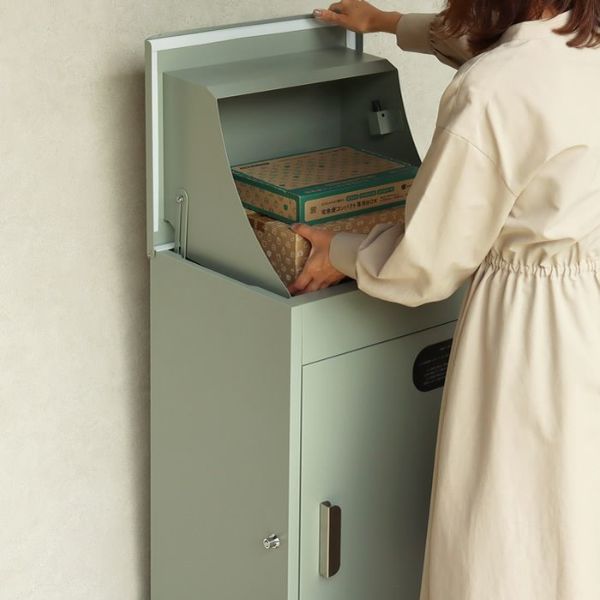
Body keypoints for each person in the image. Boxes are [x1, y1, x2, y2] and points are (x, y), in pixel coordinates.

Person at [288, 1, 600, 598]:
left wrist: (341, 251)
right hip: (586, 308)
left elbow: (425, 264)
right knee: (571, 516)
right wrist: (386, 23)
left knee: (505, 526)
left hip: (527, 334)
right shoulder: (581, 50)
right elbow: (500, 52)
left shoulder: (491, 91)